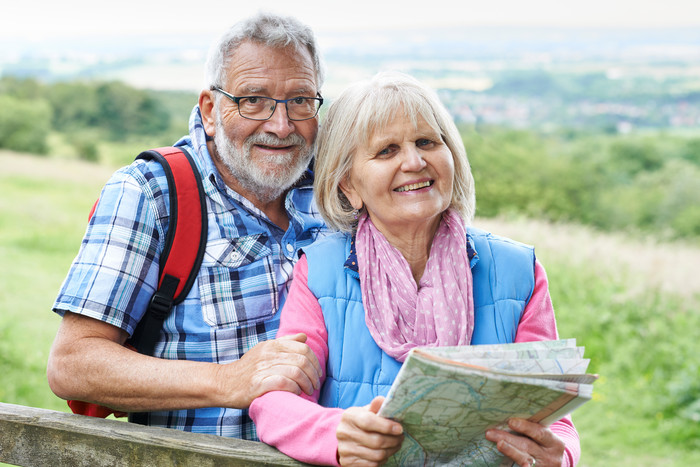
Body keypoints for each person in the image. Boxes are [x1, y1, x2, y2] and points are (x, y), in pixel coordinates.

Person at [249, 71, 581, 466]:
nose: (414, 161)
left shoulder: (518, 271)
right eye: (387, 150)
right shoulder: (319, 272)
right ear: (347, 186)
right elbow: (274, 403)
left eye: (427, 142)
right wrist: (336, 433)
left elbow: (555, 421)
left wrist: (558, 458)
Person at [47, 12, 329, 440]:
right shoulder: (151, 192)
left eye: (300, 100)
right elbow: (73, 365)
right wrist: (230, 380)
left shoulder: (339, 190)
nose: (280, 124)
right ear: (211, 110)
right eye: (253, 99)